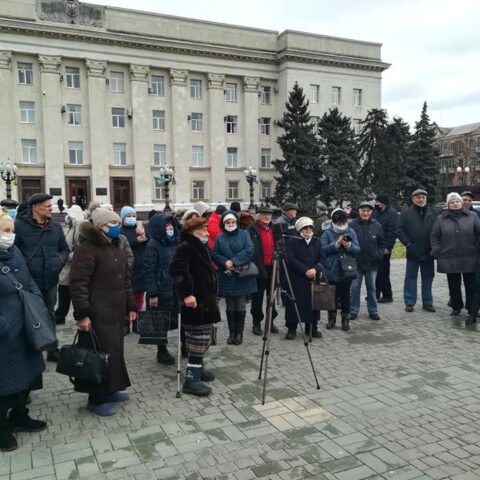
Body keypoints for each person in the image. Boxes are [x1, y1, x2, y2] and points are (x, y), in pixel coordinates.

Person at [69, 208, 137, 416]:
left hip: (115, 312)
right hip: (97, 312)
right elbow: (78, 284)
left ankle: (111, 389)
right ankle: (95, 398)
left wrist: (131, 305)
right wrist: (83, 314)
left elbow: (125, 280)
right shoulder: (87, 249)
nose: (118, 226)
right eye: (113, 223)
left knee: (113, 353)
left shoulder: (116, 246)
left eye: (118, 222)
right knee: (98, 354)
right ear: (100, 227)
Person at [0, 213, 47, 452]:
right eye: (4, 231)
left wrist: (37, 301)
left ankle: (20, 415)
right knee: (4, 384)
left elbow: (28, 280)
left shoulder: (14, 252)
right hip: (4, 335)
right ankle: (2, 428)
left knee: (26, 377)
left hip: (26, 327)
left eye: (11, 230)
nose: (9, 236)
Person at [14, 193, 69, 362]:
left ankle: (52, 348)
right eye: (47, 206)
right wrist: (24, 268)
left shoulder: (55, 226)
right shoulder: (20, 226)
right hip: (29, 281)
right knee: (30, 315)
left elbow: (64, 249)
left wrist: (58, 262)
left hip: (50, 280)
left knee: (49, 313)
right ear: (35, 207)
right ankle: (31, 350)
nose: (51, 208)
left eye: (51, 205)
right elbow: (13, 251)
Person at [170, 217, 221, 396]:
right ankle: (192, 379)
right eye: (204, 229)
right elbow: (177, 271)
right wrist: (187, 294)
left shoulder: (200, 246)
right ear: (194, 231)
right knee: (197, 340)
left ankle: (198, 368)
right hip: (194, 303)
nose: (208, 233)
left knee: (205, 338)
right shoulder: (186, 247)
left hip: (205, 302)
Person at [431, 192, 480, 318]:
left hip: (470, 255)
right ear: (448, 205)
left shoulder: (472, 216)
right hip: (449, 256)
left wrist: (477, 246)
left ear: (461, 202)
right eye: (452, 202)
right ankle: (456, 307)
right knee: (453, 284)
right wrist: (436, 249)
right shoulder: (441, 219)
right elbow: (435, 236)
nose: (455, 203)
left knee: (471, 284)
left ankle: (472, 308)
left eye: (457, 201)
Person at [212, 211, 257, 345]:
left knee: (240, 304)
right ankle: (231, 333)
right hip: (227, 275)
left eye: (233, 222)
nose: (231, 224)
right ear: (224, 224)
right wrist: (225, 262)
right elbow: (214, 253)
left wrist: (234, 261)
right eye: (228, 222)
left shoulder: (244, 234)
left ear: (236, 223)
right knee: (230, 305)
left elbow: (249, 250)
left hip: (241, 274)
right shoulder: (220, 237)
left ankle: (239, 333)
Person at [144, 214, 180, 364]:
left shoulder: (174, 242)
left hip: (175, 287)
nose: (170, 228)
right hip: (160, 288)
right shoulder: (153, 245)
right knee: (160, 321)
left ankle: (184, 346)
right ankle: (162, 351)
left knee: (178, 317)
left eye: (171, 225)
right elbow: (148, 270)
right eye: (167, 226)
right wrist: (152, 293)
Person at [284, 217, 326, 339]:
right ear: (300, 229)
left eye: (310, 227)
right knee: (294, 303)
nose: (308, 229)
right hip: (297, 278)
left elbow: (323, 258)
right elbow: (291, 259)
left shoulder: (317, 241)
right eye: (305, 227)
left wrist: (315, 269)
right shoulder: (293, 241)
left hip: (313, 277)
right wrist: (305, 270)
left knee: (313, 304)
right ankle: (292, 328)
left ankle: (312, 328)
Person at [397, 189, 437, 313]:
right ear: (413, 199)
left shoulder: (433, 212)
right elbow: (400, 230)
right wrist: (408, 244)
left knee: (428, 277)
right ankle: (409, 302)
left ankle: (427, 302)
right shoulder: (406, 213)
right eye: (418, 197)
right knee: (410, 277)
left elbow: (438, 230)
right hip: (413, 251)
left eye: (423, 197)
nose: (421, 199)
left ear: (426, 198)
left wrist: (434, 246)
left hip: (428, 251)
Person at [321, 209, 360, 332]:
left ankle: (345, 320)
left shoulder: (351, 231)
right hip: (332, 269)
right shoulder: (327, 233)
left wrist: (348, 246)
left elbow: (357, 250)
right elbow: (322, 250)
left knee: (345, 296)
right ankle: (331, 319)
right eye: (338, 223)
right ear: (333, 222)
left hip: (347, 269)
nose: (341, 225)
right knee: (332, 296)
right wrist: (335, 245)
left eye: (343, 223)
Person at [349, 201, 384, 321]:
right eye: (363, 211)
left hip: (372, 264)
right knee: (354, 288)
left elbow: (382, 243)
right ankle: (353, 310)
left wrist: (379, 255)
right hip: (356, 263)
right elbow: (348, 242)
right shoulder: (352, 225)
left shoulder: (377, 225)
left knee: (372, 288)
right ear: (359, 211)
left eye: (368, 211)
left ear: (371, 212)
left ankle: (373, 311)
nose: (365, 213)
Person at [248, 206, 279, 336]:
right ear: (258, 216)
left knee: (271, 297)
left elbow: (280, 243)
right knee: (258, 298)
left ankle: (270, 321)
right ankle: (256, 323)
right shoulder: (251, 230)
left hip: (273, 267)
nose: (267, 217)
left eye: (269, 215)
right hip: (259, 267)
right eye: (264, 215)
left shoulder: (274, 228)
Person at [55, 205, 87, 325]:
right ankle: (61, 315)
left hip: (72, 267)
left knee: (71, 293)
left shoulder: (79, 228)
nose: (66, 217)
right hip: (67, 267)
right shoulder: (72, 227)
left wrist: (65, 256)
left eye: (69, 215)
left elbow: (81, 250)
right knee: (64, 292)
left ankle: (68, 315)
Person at [120, 206, 148, 333]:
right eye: (128, 216)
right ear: (123, 218)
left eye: (133, 216)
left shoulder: (140, 229)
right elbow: (122, 245)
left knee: (139, 297)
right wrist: (136, 240)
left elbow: (149, 243)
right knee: (126, 297)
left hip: (140, 268)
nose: (131, 219)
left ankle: (137, 322)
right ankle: (126, 322)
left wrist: (143, 234)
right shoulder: (120, 231)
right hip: (127, 269)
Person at [373, 193, 397, 303]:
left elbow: (392, 232)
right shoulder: (376, 212)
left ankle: (387, 295)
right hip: (374, 246)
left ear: (384, 204)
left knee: (383, 272)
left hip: (384, 247)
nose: (376, 204)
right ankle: (375, 293)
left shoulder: (392, 214)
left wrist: (388, 247)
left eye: (378, 202)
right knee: (374, 271)